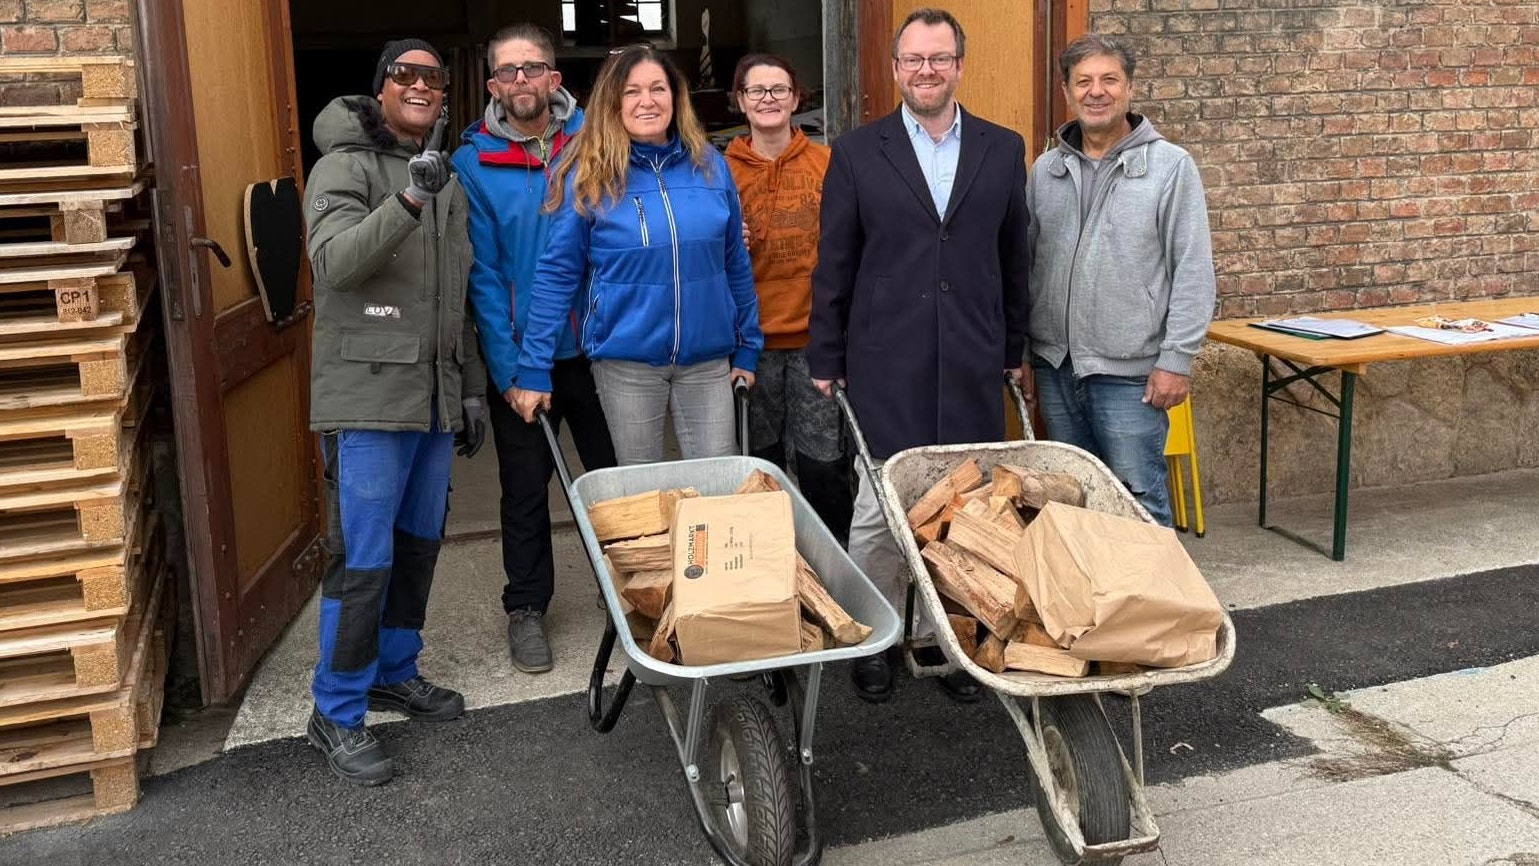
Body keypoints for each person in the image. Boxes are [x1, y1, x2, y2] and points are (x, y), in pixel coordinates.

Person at [807, 8, 1031, 704]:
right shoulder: (855, 152)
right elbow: (835, 261)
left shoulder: (1002, 148)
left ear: (958, 65)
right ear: (895, 69)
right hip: (885, 360)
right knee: (880, 507)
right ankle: (876, 637)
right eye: (913, 59)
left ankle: (950, 637)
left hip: (970, 356)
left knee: (963, 508)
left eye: (938, 58)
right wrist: (826, 355)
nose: (925, 70)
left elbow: (1014, 257)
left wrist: (1013, 347)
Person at [303, 38, 486, 786]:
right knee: (364, 558)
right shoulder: (343, 168)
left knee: (416, 546)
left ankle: (393, 670)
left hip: (433, 397)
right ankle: (336, 709)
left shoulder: (448, 176)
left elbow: (456, 296)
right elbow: (336, 266)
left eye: (432, 77)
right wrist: (408, 200)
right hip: (369, 396)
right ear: (380, 88)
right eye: (404, 74)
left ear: (444, 93)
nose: (419, 85)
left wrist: (469, 387)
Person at [452, 24, 617, 674]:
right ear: (493, 85)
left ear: (554, 77)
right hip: (526, 359)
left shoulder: (600, 140)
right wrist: (513, 370)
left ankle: (629, 588)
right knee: (524, 488)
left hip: (600, 350)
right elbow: (485, 278)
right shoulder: (473, 164)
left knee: (615, 480)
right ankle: (525, 606)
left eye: (532, 68)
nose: (521, 80)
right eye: (508, 71)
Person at [510, 46, 763, 466]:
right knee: (642, 488)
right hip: (626, 363)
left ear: (675, 97)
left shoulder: (710, 166)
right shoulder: (589, 174)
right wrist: (534, 366)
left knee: (719, 480)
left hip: (707, 360)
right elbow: (557, 275)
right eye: (632, 91)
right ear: (613, 101)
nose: (647, 101)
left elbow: (734, 260)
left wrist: (748, 345)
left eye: (658, 89)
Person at [1025, 34, 1215, 528]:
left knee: (1139, 504)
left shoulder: (1170, 168)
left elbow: (1193, 269)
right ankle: (1092, 584)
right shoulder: (1046, 171)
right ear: (1067, 91)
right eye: (1083, 81)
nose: (1096, 91)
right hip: (1056, 367)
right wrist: (1024, 353)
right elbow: (1027, 266)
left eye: (1109, 79)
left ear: (1129, 87)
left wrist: (1176, 360)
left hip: (1131, 376)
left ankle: (1152, 584)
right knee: (1074, 503)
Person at [724, 54, 852, 541]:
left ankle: (834, 563)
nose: (768, 99)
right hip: (748, 344)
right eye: (756, 90)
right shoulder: (718, 172)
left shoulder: (829, 163)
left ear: (796, 99)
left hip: (815, 342)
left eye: (779, 89)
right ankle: (772, 563)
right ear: (740, 101)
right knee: (761, 467)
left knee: (824, 466)